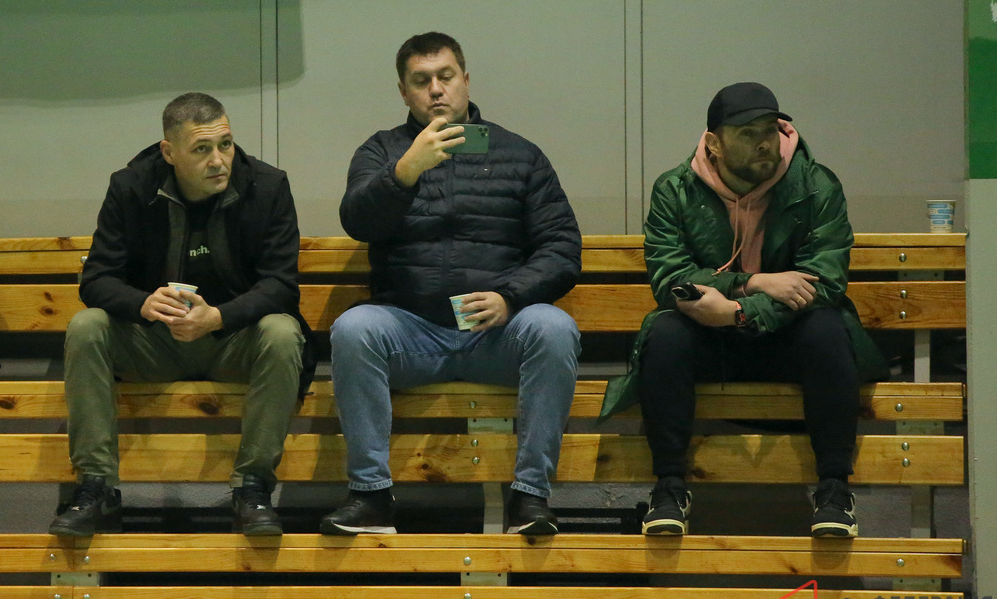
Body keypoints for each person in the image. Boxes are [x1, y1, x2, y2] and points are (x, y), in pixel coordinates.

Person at [600, 82, 888, 538]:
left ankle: (835, 489)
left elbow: (824, 281)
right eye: (747, 133)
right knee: (666, 334)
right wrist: (753, 283)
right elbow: (671, 278)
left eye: (769, 130)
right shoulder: (675, 189)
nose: (763, 143)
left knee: (827, 328)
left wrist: (738, 312)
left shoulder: (816, 184)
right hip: (709, 337)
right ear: (713, 143)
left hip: (785, 335)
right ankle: (669, 488)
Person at [325, 32, 582, 536]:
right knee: (353, 329)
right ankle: (371, 497)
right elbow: (358, 221)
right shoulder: (383, 151)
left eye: (445, 77)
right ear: (404, 92)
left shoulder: (519, 154)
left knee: (554, 328)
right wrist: (405, 171)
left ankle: (530, 498)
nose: (436, 90)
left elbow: (562, 247)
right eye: (421, 81)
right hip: (410, 332)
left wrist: (511, 297)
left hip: (496, 336)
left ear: (466, 80)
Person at [49, 92, 317, 537]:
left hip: (233, 341)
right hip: (155, 342)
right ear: (169, 152)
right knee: (86, 326)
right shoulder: (131, 187)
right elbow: (96, 279)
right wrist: (140, 303)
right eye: (201, 149)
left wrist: (219, 317)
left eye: (226, 144)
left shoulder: (267, 186)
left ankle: (252, 488)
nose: (219, 160)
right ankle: (96, 487)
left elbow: (281, 285)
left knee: (283, 332)